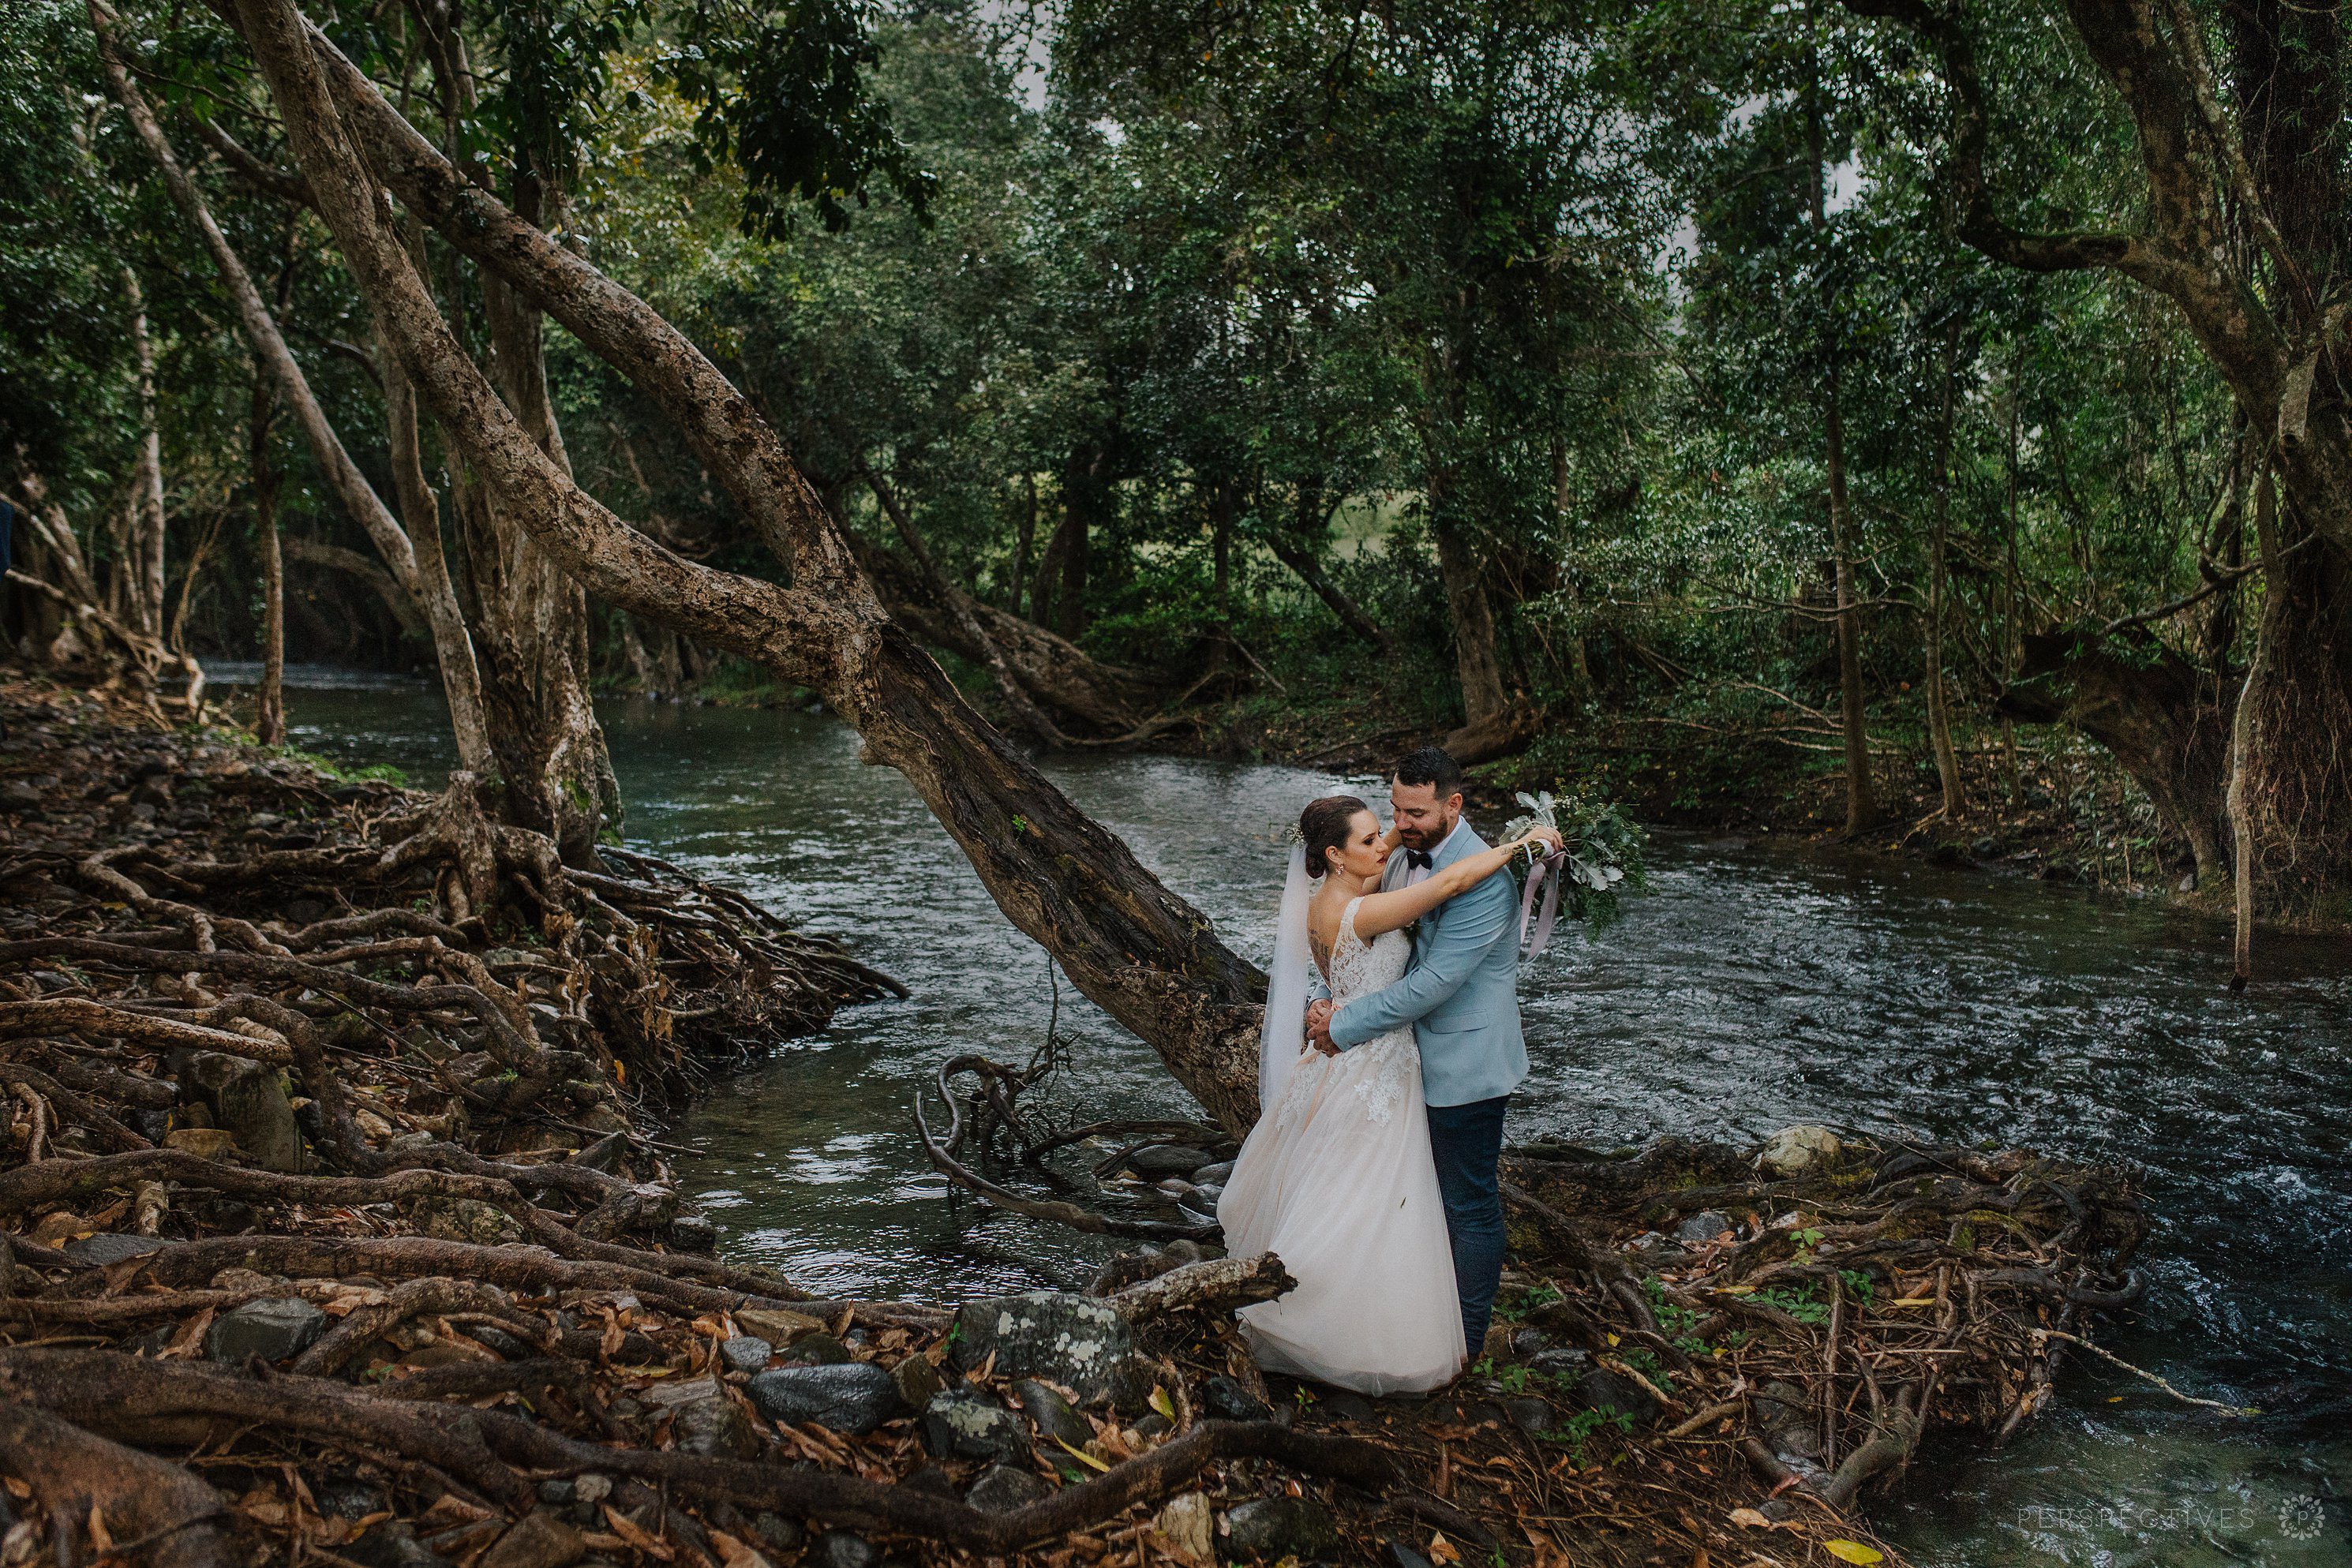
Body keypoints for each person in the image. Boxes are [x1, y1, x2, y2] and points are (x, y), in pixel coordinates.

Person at [1216, 784, 1560, 1393]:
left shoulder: (1323, 901)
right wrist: (1521, 845)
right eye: (1371, 838)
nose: (1387, 841)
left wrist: (1418, 826)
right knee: (1371, 1195)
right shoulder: (1364, 911)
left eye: (1389, 829)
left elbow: (1389, 853)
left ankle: (1325, 1306)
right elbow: (1450, 885)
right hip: (1374, 1059)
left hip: (1336, 1060)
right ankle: (1351, 1326)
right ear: (1336, 855)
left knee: (1335, 1182)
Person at [1305, 747, 1528, 1357]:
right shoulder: (1398, 856)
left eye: (1417, 812)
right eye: (1396, 809)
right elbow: (1351, 933)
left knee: (1467, 1205)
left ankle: (1466, 1344)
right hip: (1397, 1065)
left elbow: (1432, 984)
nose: (1401, 824)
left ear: (1453, 804)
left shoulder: (1487, 881)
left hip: (1464, 1065)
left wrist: (1343, 1024)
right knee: (1407, 1201)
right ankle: (1405, 1328)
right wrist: (1325, 996)